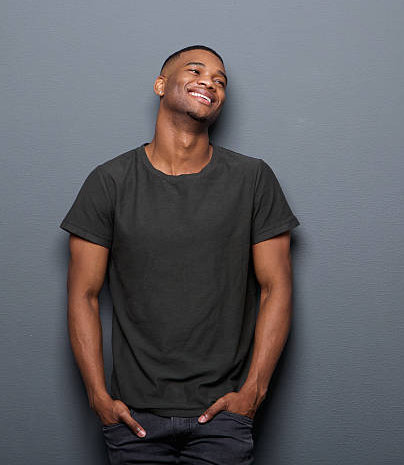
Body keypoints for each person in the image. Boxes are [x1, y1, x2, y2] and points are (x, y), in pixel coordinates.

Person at [60, 45, 300, 464]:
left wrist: (252, 394)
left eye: (220, 80)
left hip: (223, 419)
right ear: (160, 85)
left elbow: (275, 287)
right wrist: (99, 397)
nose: (210, 81)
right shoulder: (109, 182)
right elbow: (83, 295)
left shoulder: (253, 178)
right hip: (133, 420)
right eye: (196, 70)